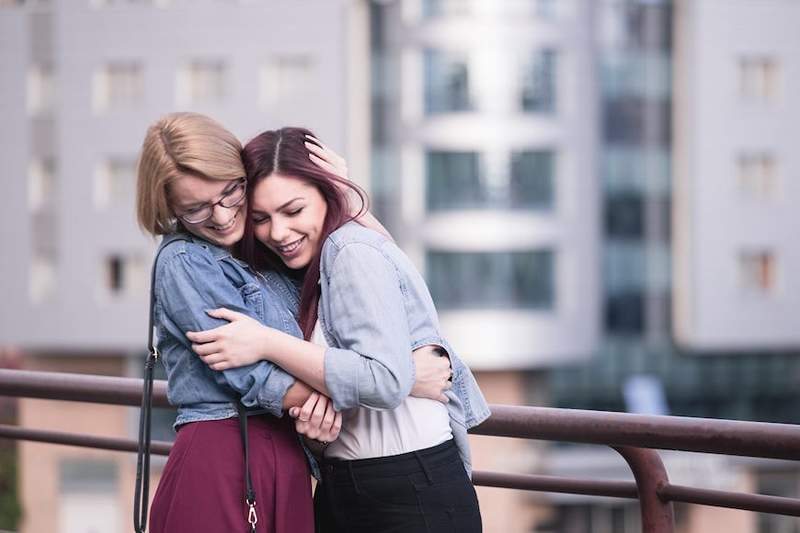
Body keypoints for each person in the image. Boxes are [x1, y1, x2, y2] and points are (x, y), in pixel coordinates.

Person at [136, 113, 450, 533]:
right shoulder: (185, 262)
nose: (222, 215)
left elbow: (382, 280)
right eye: (195, 209)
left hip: (288, 454)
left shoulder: (264, 251)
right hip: (225, 453)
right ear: (169, 209)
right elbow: (258, 379)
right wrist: (402, 381)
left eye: (231, 192)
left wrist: (346, 197)